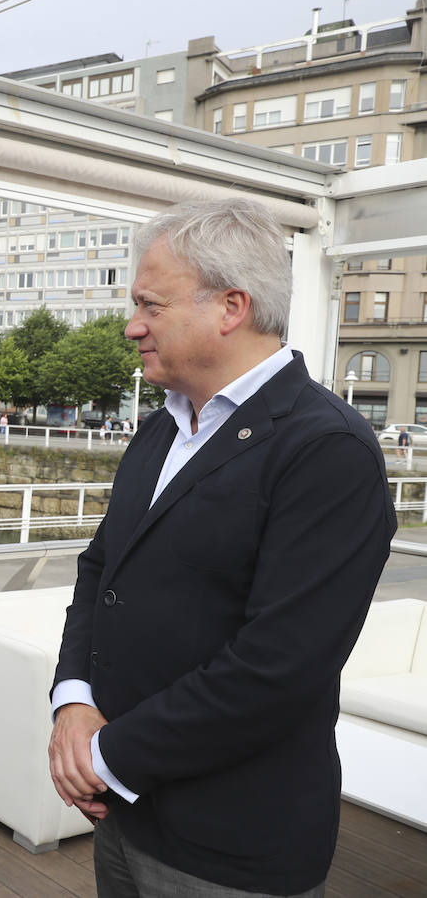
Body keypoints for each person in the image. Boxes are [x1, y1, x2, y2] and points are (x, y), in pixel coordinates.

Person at [49, 198, 396, 897]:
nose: (132, 325)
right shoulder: (161, 430)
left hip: (231, 843)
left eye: (150, 303)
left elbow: (278, 666)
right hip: (124, 814)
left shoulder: (326, 449)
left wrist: (106, 755)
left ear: (230, 307)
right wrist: (74, 699)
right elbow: (100, 574)